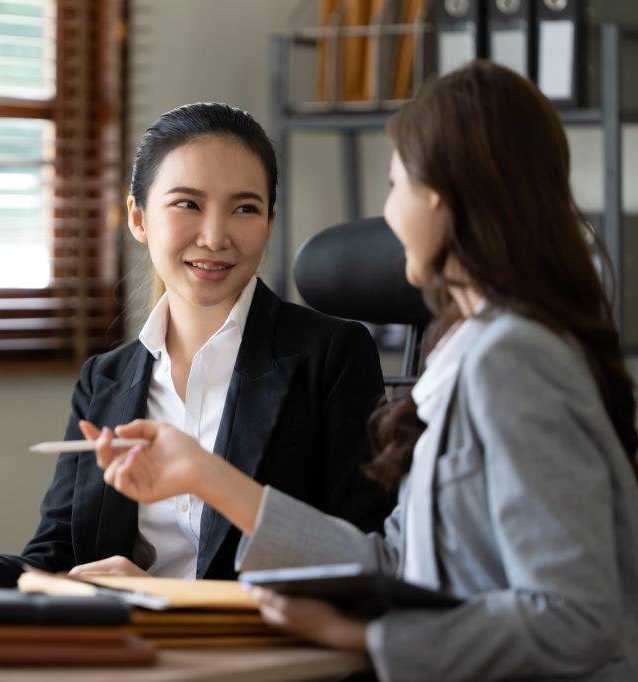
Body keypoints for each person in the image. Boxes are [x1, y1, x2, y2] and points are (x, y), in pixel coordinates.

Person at [91, 63, 638, 681]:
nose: (388, 211)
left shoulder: (514, 359)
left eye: (393, 182)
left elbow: (574, 621)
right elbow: (393, 559)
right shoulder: (470, 352)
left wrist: (364, 635)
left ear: (438, 197)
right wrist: (209, 477)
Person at [0, 102, 391, 587]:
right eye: (187, 204)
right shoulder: (106, 379)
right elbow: (54, 568)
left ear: (269, 221)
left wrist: (161, 601)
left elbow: (358, 563)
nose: (215, 237)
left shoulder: (331, 355)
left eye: (245, 208)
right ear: (138, 218)